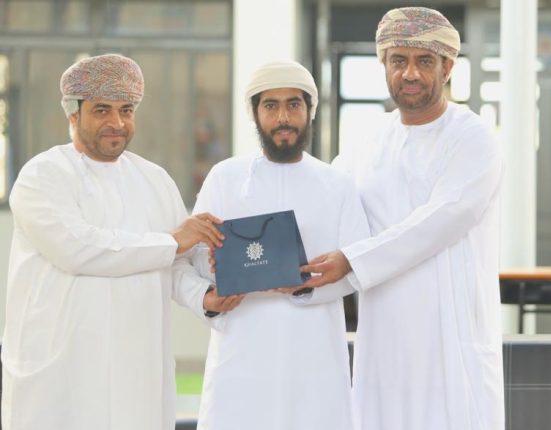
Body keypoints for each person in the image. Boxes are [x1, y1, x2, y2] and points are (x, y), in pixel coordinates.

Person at [1, 53, 239, 430]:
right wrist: (172, 242)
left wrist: (204, 297)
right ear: (73, 114)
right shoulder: (42, 176)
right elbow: (78, 250)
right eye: (102, 110)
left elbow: (176, 263)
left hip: (136, 368)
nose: (116, 122)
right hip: (63, 371)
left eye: (126, 110)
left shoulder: (155, 180)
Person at [301, 7, 504, 430]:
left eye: (424, 61)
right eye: (398, 60)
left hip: (450, 339)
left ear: (447, 67)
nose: (409, 73)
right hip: (384, 336)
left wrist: (352, 261)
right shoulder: (369, 139)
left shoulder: (473, 136)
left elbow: (441, 220)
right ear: (384, 65)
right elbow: (323, 202)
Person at [189, 60, 370, 430]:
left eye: (294, 104)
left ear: (309, 110)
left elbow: (358, 268)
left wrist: (306, 286)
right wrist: (213, 274)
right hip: (242, 355)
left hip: (315, 356)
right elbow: (195, 260)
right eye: (271, 105)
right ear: (255, 113)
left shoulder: (337, 184)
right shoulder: (225, 178)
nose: (283, 117)